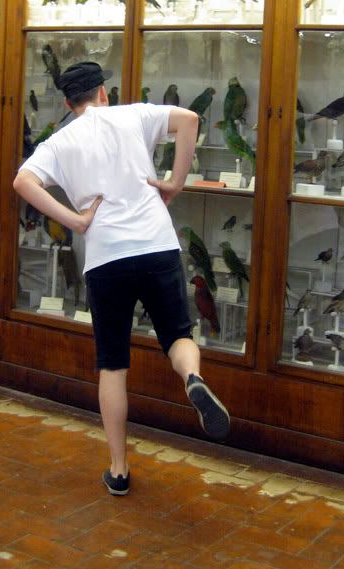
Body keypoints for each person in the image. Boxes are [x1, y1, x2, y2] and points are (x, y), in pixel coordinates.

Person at [13, 61, 230, 496]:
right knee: (177, 335)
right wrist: (175, 183)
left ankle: (119, 469)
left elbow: (23, 182)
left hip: (106, 256)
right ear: (103, 93)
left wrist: (76, 221)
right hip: (156, 244)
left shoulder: (59, 141)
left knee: (112, 364)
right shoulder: (134, 115)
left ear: (67, 103)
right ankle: (192, 377)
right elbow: (190, 120)